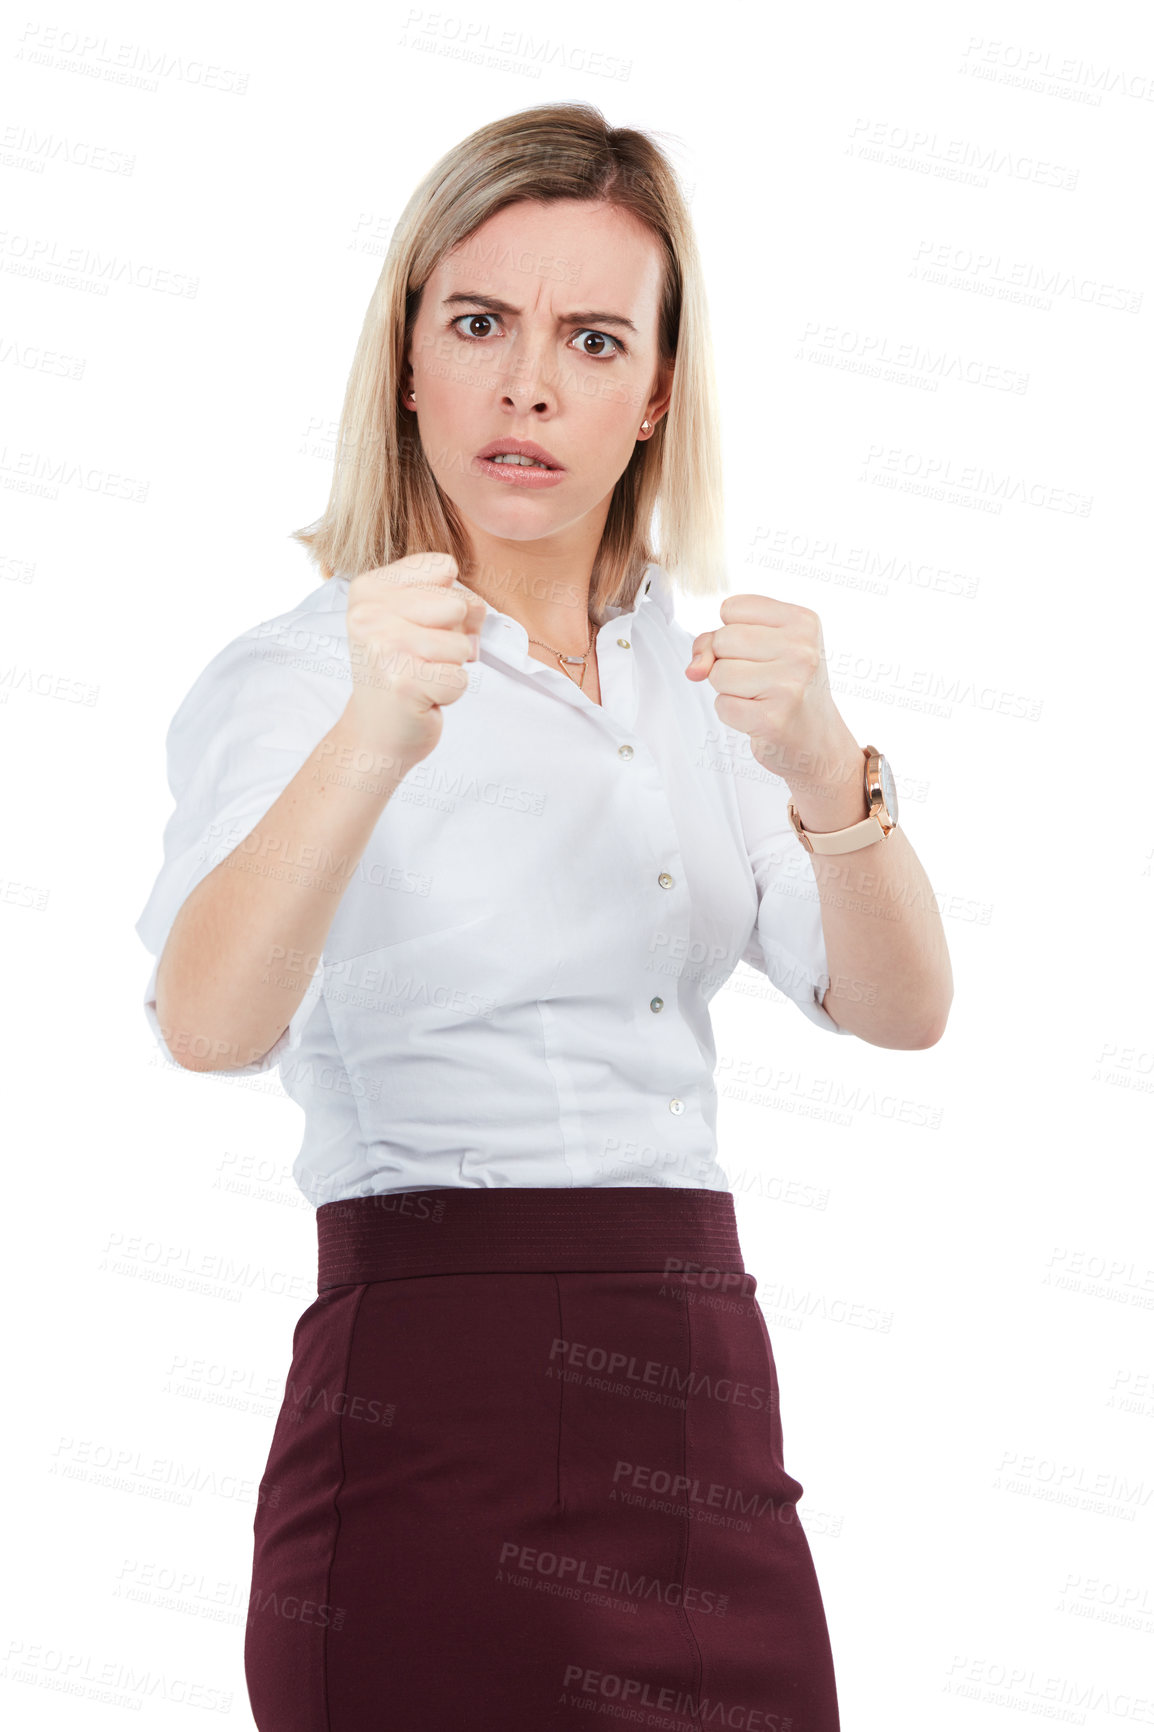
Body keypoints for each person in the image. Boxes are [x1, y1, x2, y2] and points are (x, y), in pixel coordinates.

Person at [136, 102, 952, 1732]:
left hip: (702, 1394)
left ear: (654, 394)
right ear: (409, 359)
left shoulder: (703, 677)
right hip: (431, 1394)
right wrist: (374, 736)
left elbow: (899, 1007)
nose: (527, 386)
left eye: (590, 339)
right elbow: (206, 1027)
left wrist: (819, 762)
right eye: (479, 322)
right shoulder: (299, 679)